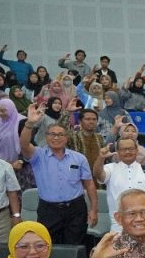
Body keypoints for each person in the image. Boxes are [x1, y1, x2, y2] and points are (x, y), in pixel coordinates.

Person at [18, 104, 98, 245]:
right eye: (52, 134)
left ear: (67, 138)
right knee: (49, 245)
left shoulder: (79, 158)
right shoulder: (38, 155)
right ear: (46, 137)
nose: (56, 138)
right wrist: (29, 123)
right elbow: (24, 145)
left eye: (61, 134)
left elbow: (90, 184)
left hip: (76, 209)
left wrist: (94, 209)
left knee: (76, 246)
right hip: (49, 210)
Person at [95, 138, 145, 233]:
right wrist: (101, 158)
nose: (127, 152)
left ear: (137, 150)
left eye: (131, 149)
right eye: (123, 149)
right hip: (119, 227)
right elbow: (98, 174)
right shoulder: (110, 169)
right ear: (117, 152)